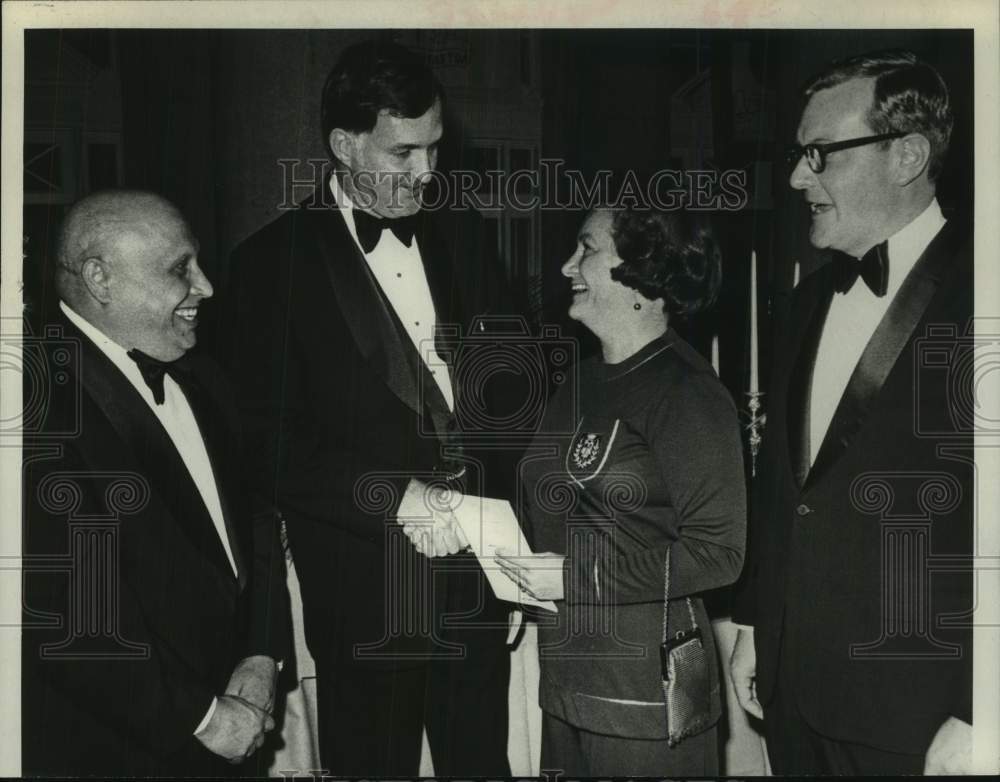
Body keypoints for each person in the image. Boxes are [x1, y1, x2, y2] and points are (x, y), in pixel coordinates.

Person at [221, 40, 513, 776]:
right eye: (403, 152)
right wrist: (396, 496)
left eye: (435, 148)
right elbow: (269, 448)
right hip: (363, 596)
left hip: (476, 584)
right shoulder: (267, 265)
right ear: (344, 145)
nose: (427, 173)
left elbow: (513, 401)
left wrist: (512, 548)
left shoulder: (468, 238)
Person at [730, 49, 973, 775]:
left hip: (921, 717)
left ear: (906, 155)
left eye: (819, 154)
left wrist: (981, 707)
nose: (797, 176)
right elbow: (786, 489)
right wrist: (754, 624)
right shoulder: (807, 303)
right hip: (794, 690)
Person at [21, 190, 290, 777]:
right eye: (179, 270)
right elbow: (68, 620)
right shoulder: (30, 405)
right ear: (100, 279)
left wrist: (262, 652)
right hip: (119, 749)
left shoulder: (207, 378)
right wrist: (202, 718)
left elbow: (259, 521)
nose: (206, 287)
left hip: (237, 721)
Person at [496, 207, 746, 776]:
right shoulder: (578, 380)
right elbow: (548, 509)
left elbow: (718, 556)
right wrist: (512, 576)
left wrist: (569, 578)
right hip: (566, 684)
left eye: (585, 248)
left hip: (646, 701)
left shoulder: (689, 394)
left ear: (643, 270)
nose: (566, 266)